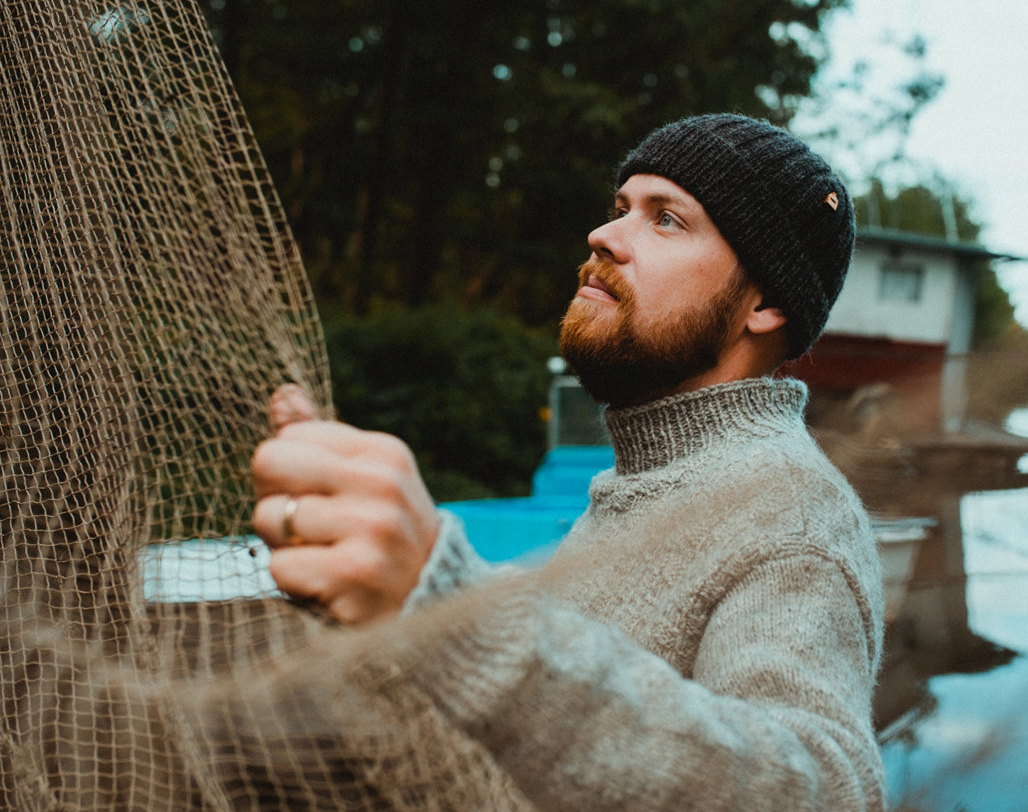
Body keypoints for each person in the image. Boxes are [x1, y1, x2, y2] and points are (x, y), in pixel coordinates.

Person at [250, 113, 886, 811]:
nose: (604, 235)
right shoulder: (639, 477)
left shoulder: (790, 512)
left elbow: (823, 788)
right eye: (620, 209)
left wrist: (452, 607)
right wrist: (384, 608)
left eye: (665, 219)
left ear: (763, 302)